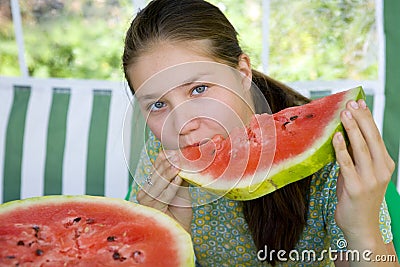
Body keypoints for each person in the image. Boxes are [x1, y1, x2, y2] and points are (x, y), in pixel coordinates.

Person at [122, 0, 397, 266]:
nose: (182, 124)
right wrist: (164, 239)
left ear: (242, 73)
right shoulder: (162, 161)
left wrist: (362, 228)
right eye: (158, 105)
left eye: (199, 89)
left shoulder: (330, 158)